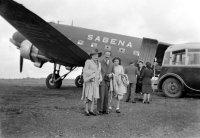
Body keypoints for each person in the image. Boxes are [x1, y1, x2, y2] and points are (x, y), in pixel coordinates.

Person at [81, 49, 102, 116]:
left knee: (93, 96)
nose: (96, 56)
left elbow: (99, 72)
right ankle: (86, 110)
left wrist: (100, 78)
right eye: (94, 55)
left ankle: (91, 110)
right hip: (90, 82)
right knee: (88, 96)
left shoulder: (99, 63)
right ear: (91, 56)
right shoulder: (88, 62)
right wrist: (91, 75)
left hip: (96, 82)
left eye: (97, 55)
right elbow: (85, 70)